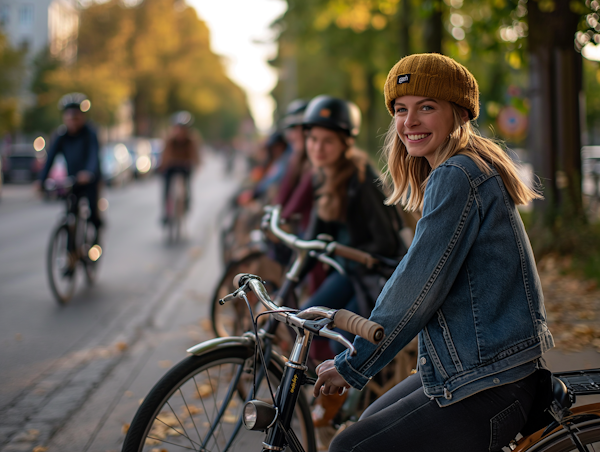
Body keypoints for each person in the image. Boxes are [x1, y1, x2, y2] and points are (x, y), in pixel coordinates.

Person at [313, 54, 555, 452]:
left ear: (459, 113)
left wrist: (353, 364)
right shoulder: (460, 169)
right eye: (402, 110)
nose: (410, 122)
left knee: (349, 447)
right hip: (476, 366)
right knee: (363, 426)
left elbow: (417, 287)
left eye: (426, 107)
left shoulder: (456, 175)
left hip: (487, 379)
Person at [300, 95, 407, 350]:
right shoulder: (323, 175)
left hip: (376, 275)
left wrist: (345, 253)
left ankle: (360, 390)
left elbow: (387, 241)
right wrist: (290, 278)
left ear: (346, 142)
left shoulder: (361, 180)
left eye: (327, 142)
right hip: (349, 271)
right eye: (313, 139)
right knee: (304, 317)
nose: (317, 148)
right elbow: (315, 236)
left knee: (343, 344)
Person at [37, 93, 103, 243]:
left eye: (76, 117)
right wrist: (41, 180)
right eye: (69, 117)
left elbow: (94, 155)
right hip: (72, 179)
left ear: (83, 117)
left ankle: (95, 242)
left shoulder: (90, 134)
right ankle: (71, 254)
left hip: (90, 179)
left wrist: (88, 173)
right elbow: (50, 158)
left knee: (93, 212)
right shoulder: (61, 136)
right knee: (70, 213)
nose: (72, 121)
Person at [159, 111, 200, 224]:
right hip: (172, 167)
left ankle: (186, 204)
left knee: (187, 186)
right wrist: (162, 166)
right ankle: (167, 212)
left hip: (185, 167)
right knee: (167, 188)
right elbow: (165, 155)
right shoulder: (170, 140)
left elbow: (195, 155)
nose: (180, 131)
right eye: (178, 128)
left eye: (183, 128)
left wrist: (195, 164)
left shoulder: (191, 140)